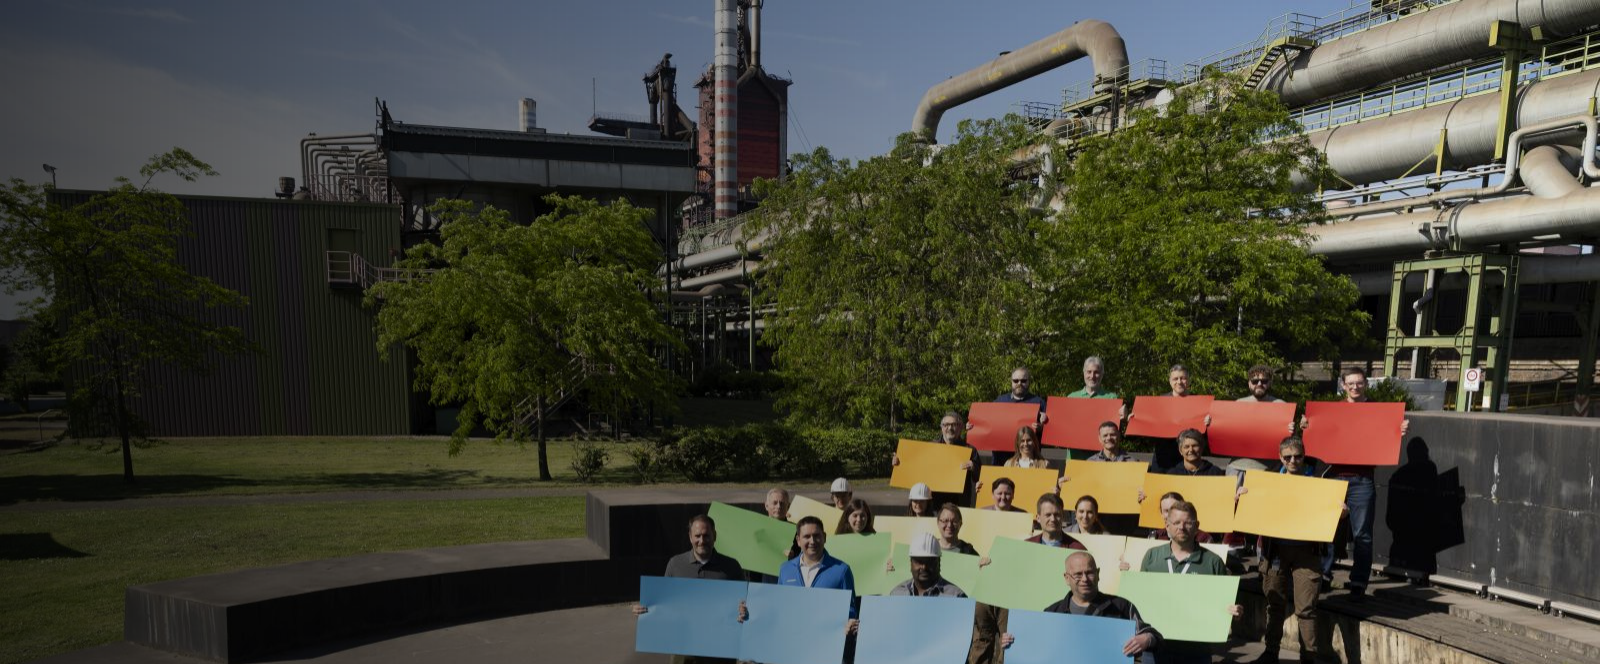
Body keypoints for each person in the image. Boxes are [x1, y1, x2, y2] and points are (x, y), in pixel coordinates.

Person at [1308, 366, 1409, 597]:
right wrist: (1307, 426)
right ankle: (1324, 574)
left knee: (1362, 534)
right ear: (1343, 385)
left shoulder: (1378, 412)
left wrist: (1399, 429)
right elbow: (1316, 433)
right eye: (1350, 383)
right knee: (1327, 529)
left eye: (1359, 383)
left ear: (1366, 384)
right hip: (1333, 478)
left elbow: (1389, 435)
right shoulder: (1332, 411)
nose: (1355, 387)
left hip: (1362, 479)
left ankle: (1359, 582)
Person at [1241, 437, 1331, 663]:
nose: (1293, 461)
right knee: (1275, 605)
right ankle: (1271, 652)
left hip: (1307, 552)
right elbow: (1251, 512)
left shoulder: (1320, 479)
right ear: (1280, 457)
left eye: (1297, 456)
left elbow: (1332, 513)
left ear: (1304, 455)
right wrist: (1241, 499)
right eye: (1288, 457)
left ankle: (1309, 657)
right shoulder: (1267, 480)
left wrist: (1342, 512)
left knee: (1306, 609)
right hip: (1276, 552)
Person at [1000, 551, 1161, 657]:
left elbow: (1156, 637)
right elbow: (1034, 647)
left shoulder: (1121, 606)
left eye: (1089, 572)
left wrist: (1147, 638)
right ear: (1066, 578)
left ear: (1098, 574)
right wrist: (1013, 641)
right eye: (1078, 574)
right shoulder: (1051, 613)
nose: (1085, 579)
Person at [1138, 501, 1241, 664]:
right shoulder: (1152, 556)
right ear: (1167, 524)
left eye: (1188, 523)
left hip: (1195, 651)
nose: (1182, 527)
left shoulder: (1213, 562)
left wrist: (1232, 611)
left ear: (1197, 526)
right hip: (1155, 649)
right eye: (1176, 522)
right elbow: (1140, 600)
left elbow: (1225, 605)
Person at [632, 515, 743, 664]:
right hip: (684, 652)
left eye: (706, 535)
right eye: (697, 536)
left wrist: (743, 610)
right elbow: (663, 603)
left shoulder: (731, 566)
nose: (702, 541)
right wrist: (645, 610)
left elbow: (744, 602)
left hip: (720, 651)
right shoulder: (675, 564)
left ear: (714, 536)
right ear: (690, 537)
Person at [892, 411, 981, 506]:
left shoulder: (970, 450)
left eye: (954, 425)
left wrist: (973, 466)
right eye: (946, 425)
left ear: (960, 427)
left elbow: (980, 476)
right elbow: (914, 467)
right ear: (941, 427)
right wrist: (899, 463)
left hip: (959, 503)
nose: (950, 428)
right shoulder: (930, 448)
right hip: (934, 502)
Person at [991, 367, 1046, 465]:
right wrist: (973, 426)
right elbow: (988, 424)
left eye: (1023, 381)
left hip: (1029, 460)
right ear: (1011, 382)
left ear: (1029, 382)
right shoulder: (999, 401)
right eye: (1016, 381)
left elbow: (1051, 431)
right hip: (1001, 458)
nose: (1019, 383)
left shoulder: (1039, 402)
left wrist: (1042, 427)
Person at [890, 533, 967, 597]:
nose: (924, 567)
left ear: (939, 562)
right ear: (911, 563)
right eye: (919, 561)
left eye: (929, 561)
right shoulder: (897, 594)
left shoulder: (956, 596)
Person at [1147, 491, 1213, 543]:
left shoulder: (1203, 538)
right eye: (1166, 511)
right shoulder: (1154, 537)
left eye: (1174, 509)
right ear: (1161, 514)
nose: (1170, 514)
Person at [1157, 429, 1225, 476]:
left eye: (1195, 446)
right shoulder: (1172, 474)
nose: (1191, 450)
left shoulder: (1215, 473)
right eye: (1186, 447)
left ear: (1201, 448)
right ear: (1180, 451)